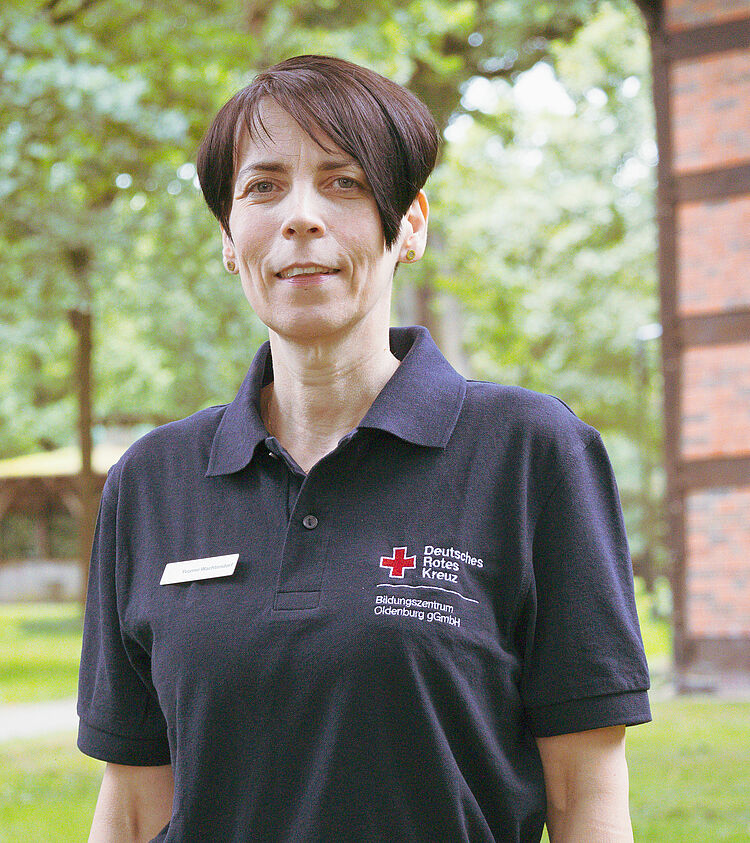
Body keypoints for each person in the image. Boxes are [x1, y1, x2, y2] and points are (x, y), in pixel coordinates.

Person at [77, 54, 651, 842]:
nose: (300, 217)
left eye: (343, 181)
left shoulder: (531, 453)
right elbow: (134, 802)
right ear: (228, 237)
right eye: (263, 186)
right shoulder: (152, 480)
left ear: (409, 224)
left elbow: (585, 796)